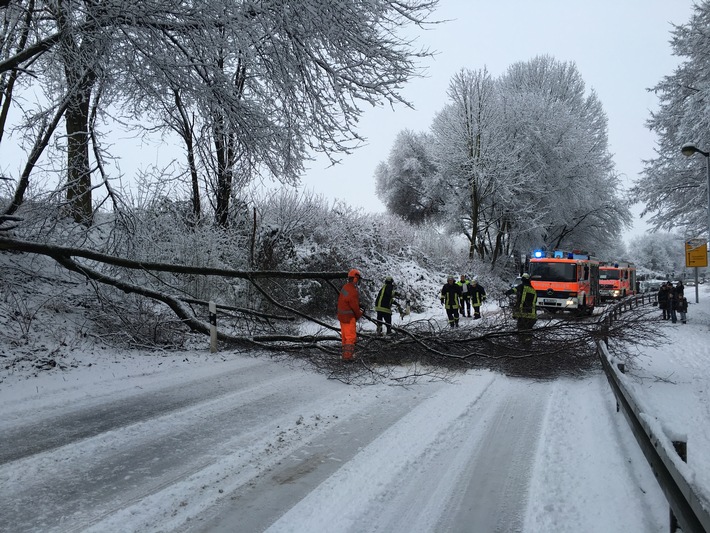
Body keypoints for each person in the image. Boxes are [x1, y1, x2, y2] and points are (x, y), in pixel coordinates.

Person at [337, 268, 363, 361]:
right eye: (358, 279)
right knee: (350, 338)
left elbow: (346, 300)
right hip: (348, 318)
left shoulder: (345, 287)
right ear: (355, 279)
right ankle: (348, 357)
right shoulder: (353, 290)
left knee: (344, 337)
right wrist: (359, 314)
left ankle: (345, 354)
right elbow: (354, 306)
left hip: (342, 317)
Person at [505, 273, 538, 346]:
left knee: (521, 330)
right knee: (528, 331)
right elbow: (534, 302)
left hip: (523, 314)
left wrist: (507, 292)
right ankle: (528, 345)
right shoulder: (533, 290)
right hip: (532, 315)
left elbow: (513, 290)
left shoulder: (522, 287)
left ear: (522, 280)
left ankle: (522, 345)